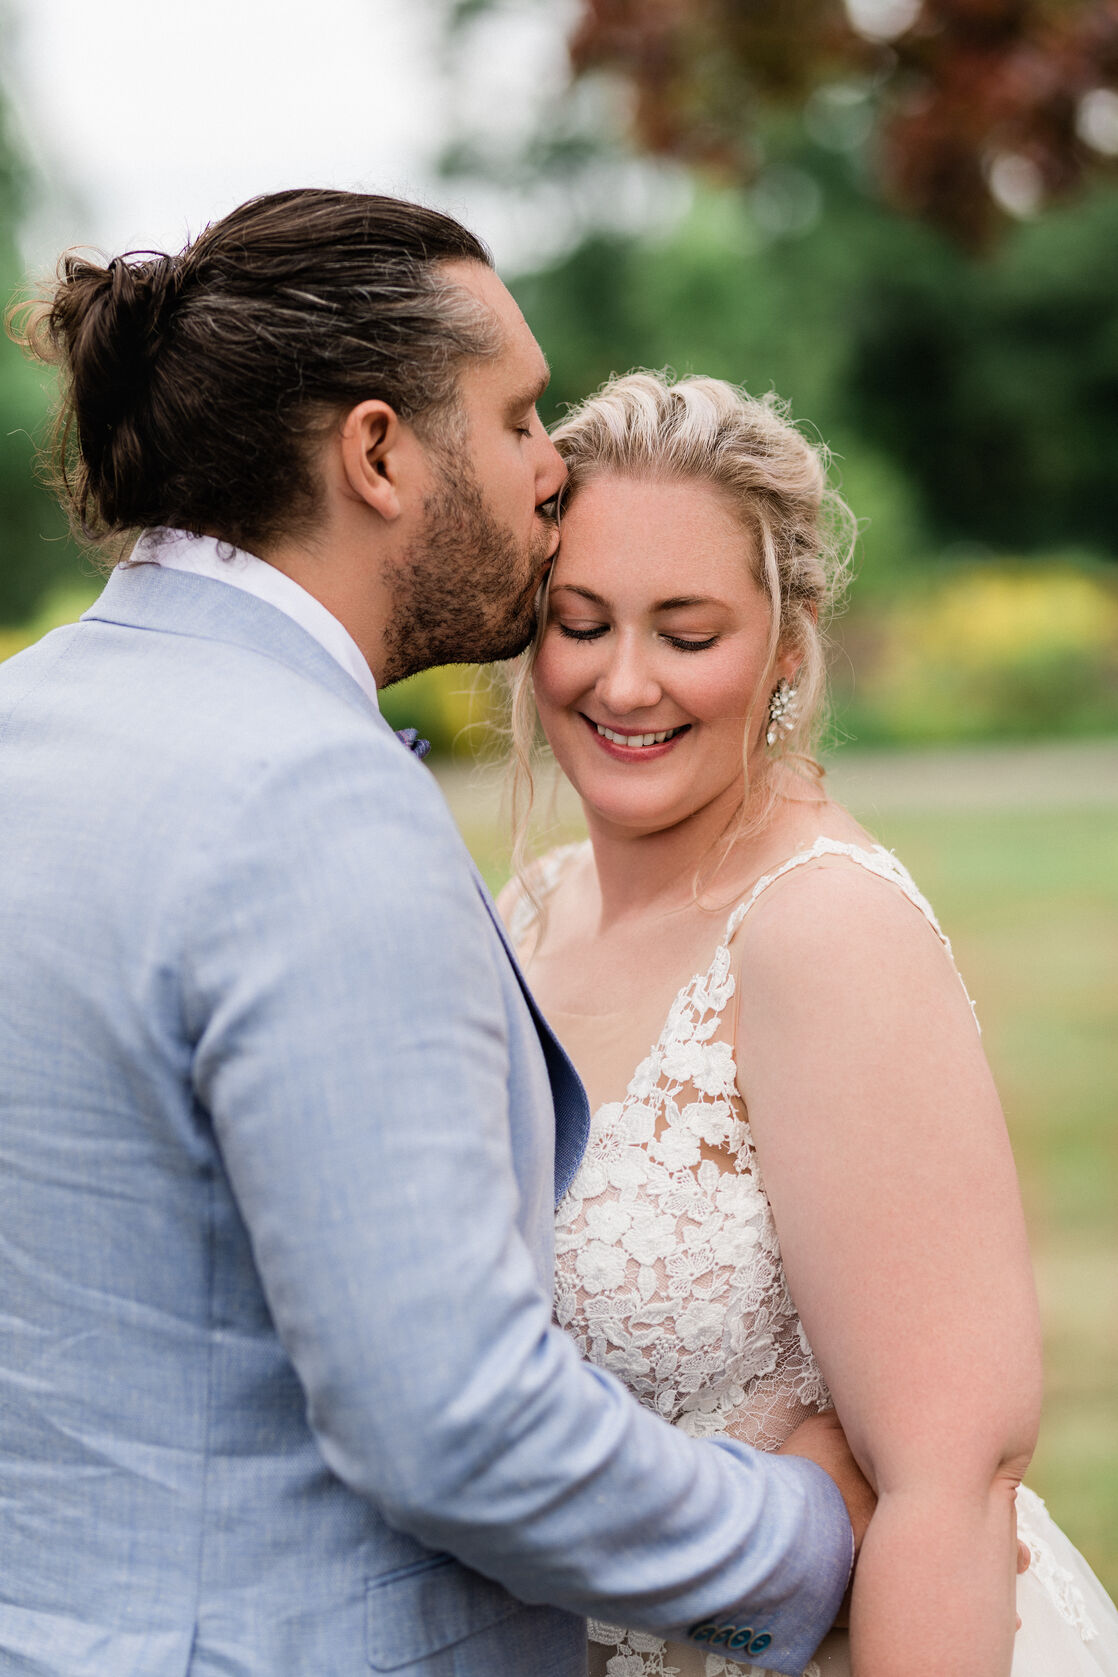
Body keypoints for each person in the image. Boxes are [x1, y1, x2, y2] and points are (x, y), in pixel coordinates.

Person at [0, 191, 875, 1677]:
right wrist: (797, 1542)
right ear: (380, 451)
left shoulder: (29, 725)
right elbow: (453, 1425)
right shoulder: (311, 804)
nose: (555, 469)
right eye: (520, 415)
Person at [499, 369, 1118, 1677]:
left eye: (685, 630)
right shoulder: (525, 917)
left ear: (785, 644)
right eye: (581, 619)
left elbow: (952, 1479)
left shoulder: (819, 929)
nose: (622, 681)